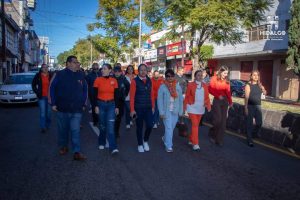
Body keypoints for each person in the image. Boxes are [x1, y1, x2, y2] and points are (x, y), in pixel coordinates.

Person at [49, 56, 88, 161]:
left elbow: (85, 89)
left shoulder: (81, 74)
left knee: (75, 130)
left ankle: (77, 152)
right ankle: (63, 146)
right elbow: (51, 88)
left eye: (77, 62)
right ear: (68, 63)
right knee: (63, 130)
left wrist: (84, 104)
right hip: (62, 108)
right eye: (75, 62)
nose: (77, 64)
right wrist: (53, 103)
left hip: (77, 109)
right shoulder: (59, 74)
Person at [93, 63, 119, 155]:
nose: (102, 70)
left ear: (110, 70)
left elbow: (116, 94)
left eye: (104, 68)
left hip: (111, 105)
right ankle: (101, 142)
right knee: (102, 125)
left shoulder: (114, 80)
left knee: (111, 127)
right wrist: (95, 106)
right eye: (102, 69)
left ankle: (113, 147)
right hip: (100, 104)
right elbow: (94, 94)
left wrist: (117, 107)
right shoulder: (97, 80)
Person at [184, 70, 211, 151]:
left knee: (195, 126)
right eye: (198, 75)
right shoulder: (190, 84)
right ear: (195, 76)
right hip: (191, 107)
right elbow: (187, 96)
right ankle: (195, 143)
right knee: (195, 125)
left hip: (200, 108)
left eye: (201, 75)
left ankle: (190, 139)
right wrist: (184, 107)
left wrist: (208, 106)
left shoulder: (205, 85)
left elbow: (207, 97)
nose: (200, 77)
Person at [130, 64, 154, 153]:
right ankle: (140, 144)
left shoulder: (149, 80)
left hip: (148, 108)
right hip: (138, 108)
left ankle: (145, 140)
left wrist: (153, 106)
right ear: (138, 71)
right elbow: (132, 97)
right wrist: (132, 110)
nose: (143, 72)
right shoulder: (134, 81)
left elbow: (151, 94)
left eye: (145, 70)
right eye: (141, 70)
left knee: (150, 125)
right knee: (139, 127)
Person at [158, 69, 183, 152]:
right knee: (168, 128)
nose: (170, 78)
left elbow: (180, 100)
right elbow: (160, 100)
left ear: (174, 76)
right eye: (168, 76)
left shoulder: (177, 86)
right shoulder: (162, 87)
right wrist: (161, 112)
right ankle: (168, 146)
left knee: (171, 128)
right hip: (166, 111)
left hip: (175, 111)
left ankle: (165, 138)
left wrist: (181, 111)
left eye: (171, 76)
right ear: (165, 77)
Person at [208, 66, 232, 146]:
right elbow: (210, 89)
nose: (225, 75)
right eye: (224, 73)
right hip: (217, 100)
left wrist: (230, 102)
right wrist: (218, 95)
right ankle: (212, 133)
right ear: (220, 72)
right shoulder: (214, 78)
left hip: (225, 101)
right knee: (217, 120)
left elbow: (228, 92)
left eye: (227, 74)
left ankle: (219, 140)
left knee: (223, 122)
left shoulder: (227, 80)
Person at [244, 70, 267, 147]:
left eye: (257, 75)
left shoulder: (259, 85)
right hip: (250, 106)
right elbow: (246, 97)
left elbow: (265, 93)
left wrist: (263, 89)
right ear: (251, 76)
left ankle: (252, 135)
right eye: (254, 75)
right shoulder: (248, 85)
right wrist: (246, 107)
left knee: (259, 123)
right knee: (249, 124)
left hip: (258, 106)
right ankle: (249, 140)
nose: (256, 76)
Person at [32, 64, 53, 133]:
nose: (45, 69)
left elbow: (55, 84)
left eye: (47, 67)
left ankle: (48, 125)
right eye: (44, 67)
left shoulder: (51, 75)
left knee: (49, 113)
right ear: (41, 68)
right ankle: (43, 127)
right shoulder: (38, 76)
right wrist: (37, 92)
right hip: (41, 97)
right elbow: (33, 84)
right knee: (43, 113)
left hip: (50, 97)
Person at [113, 64, 130, 138]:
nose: (117, 73)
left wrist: (125, 95)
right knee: (112, 117)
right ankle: (112, 131)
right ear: (113, 72)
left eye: (118, 72)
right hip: (112, 101)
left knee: (119, 117)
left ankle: (116, 131)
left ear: (121, 72)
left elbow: (128, 86)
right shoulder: (111, 78)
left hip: (120, 101)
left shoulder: (124, 79)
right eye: (115, 71)